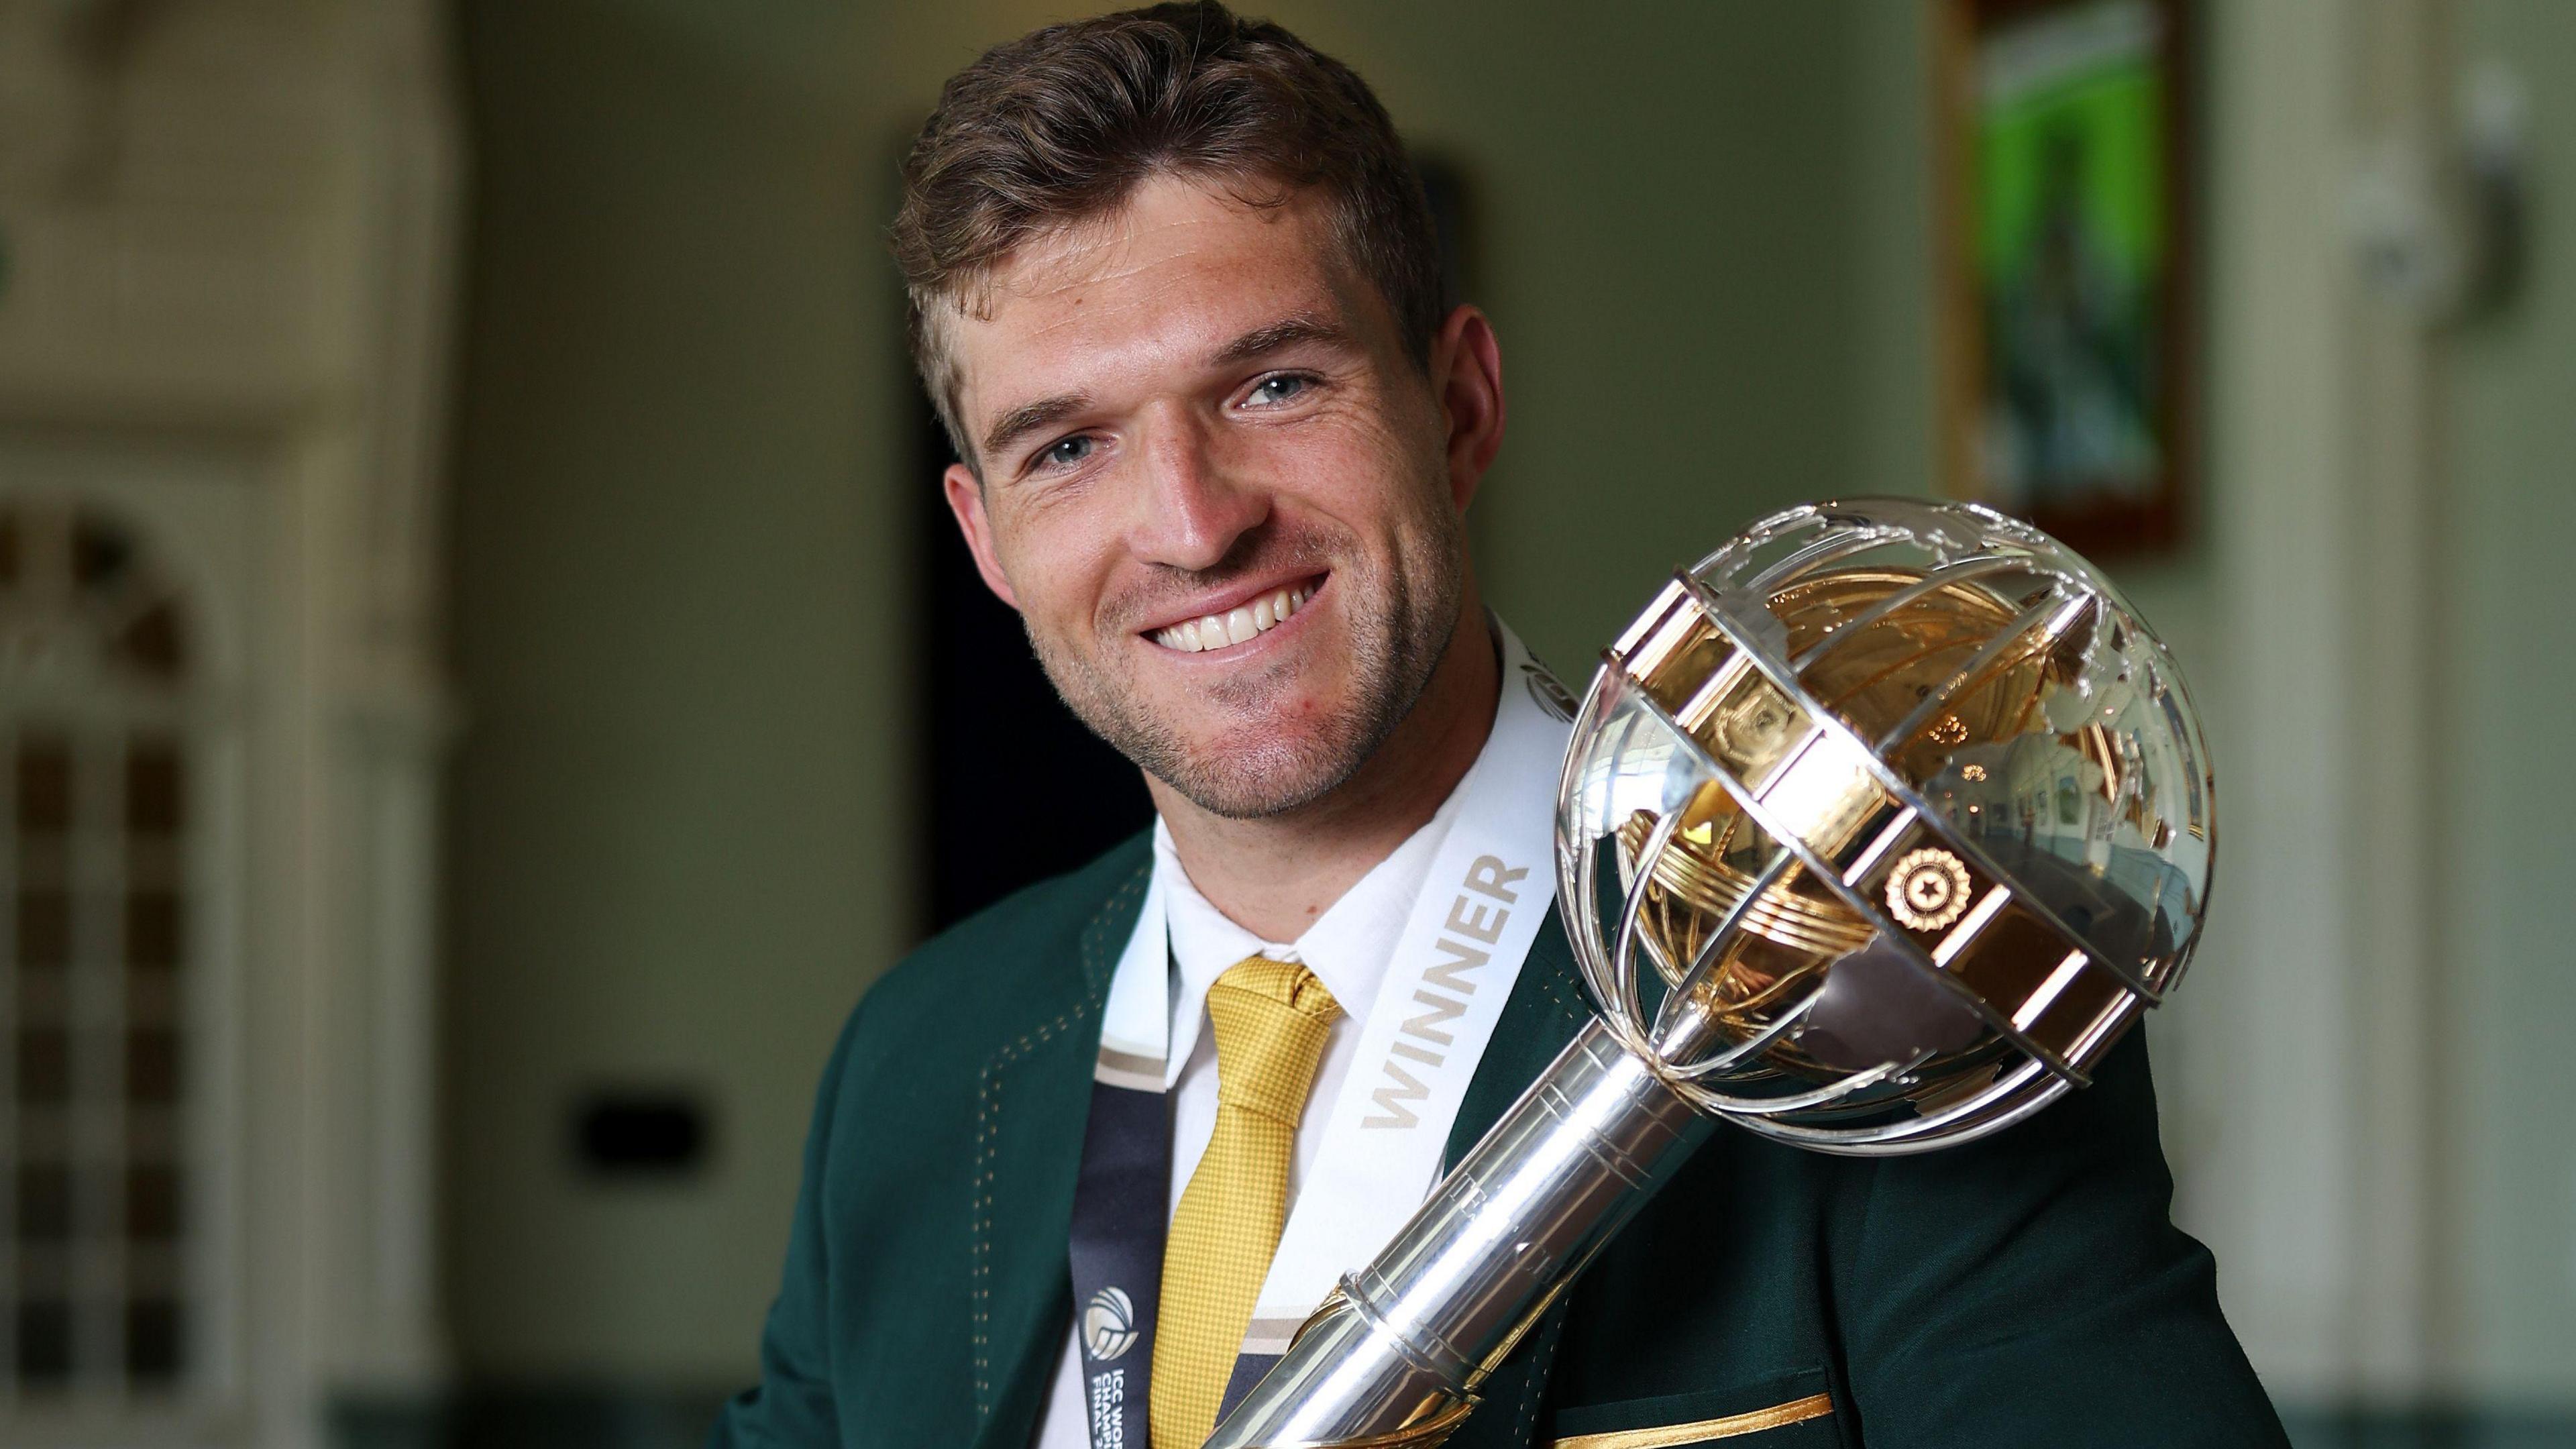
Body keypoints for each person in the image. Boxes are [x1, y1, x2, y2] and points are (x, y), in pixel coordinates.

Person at [708, 5, 2288, 1446]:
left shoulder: (1873, 989)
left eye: (1272, 387)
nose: (1191, 528)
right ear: (988, 543)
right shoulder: (918, 1062)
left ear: (1457, 408)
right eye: (1067, 449)